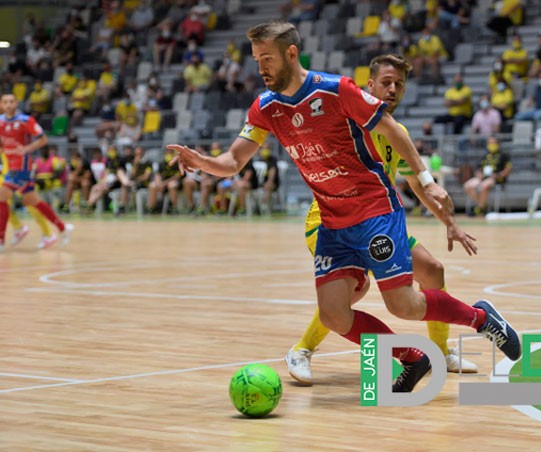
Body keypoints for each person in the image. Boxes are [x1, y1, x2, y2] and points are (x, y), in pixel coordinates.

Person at [167, 20, 521, 393]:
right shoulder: (265, 107)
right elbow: (233, 162)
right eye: (257, 60)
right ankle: (412, 357)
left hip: (374, 213)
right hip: (331, 223)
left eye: (267, 58)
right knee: (334, 315)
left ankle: (482, 319)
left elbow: (393, 129)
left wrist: (428, 181)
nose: (261, 68)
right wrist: (202, 161)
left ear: (291, 53)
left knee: (404, 305)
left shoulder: (336, 90)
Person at [285, 55, 480, 385]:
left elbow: (418, 185)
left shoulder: (395, 132)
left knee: (432, 270)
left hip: (376, 222)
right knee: (350, 294)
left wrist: (450, 223)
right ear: (369, 86)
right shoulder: (346, 122)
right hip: (328, 222)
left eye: (399, 85)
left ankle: (441, 351)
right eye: (386, 83)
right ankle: (301, 350)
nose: (392, 89)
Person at [0, 94, 73, 250]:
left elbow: (43, 139)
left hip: (22, 166)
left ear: (16, 103)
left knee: (2, 197)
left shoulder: (26, 120)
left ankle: (2, 239)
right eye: (5, 102)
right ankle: (62, 228)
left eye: (11, 101)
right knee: (32, 200)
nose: (8, 105)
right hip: (10, 164)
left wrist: (27, 148)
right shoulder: (0, 122)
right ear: (1, 104)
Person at [463, 136, 512, 217]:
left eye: (493, 143)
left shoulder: (504, 155)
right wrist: (479, 174)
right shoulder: (485, 155)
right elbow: (479, 168)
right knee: (467, 186)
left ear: (498, 144)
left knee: (483, 186)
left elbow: (508, 169)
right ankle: (483, 206)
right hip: (484, 177)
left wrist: (498, 175)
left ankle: (479, 208)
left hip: (496, 178)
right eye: (489, 143)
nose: (491, 145)